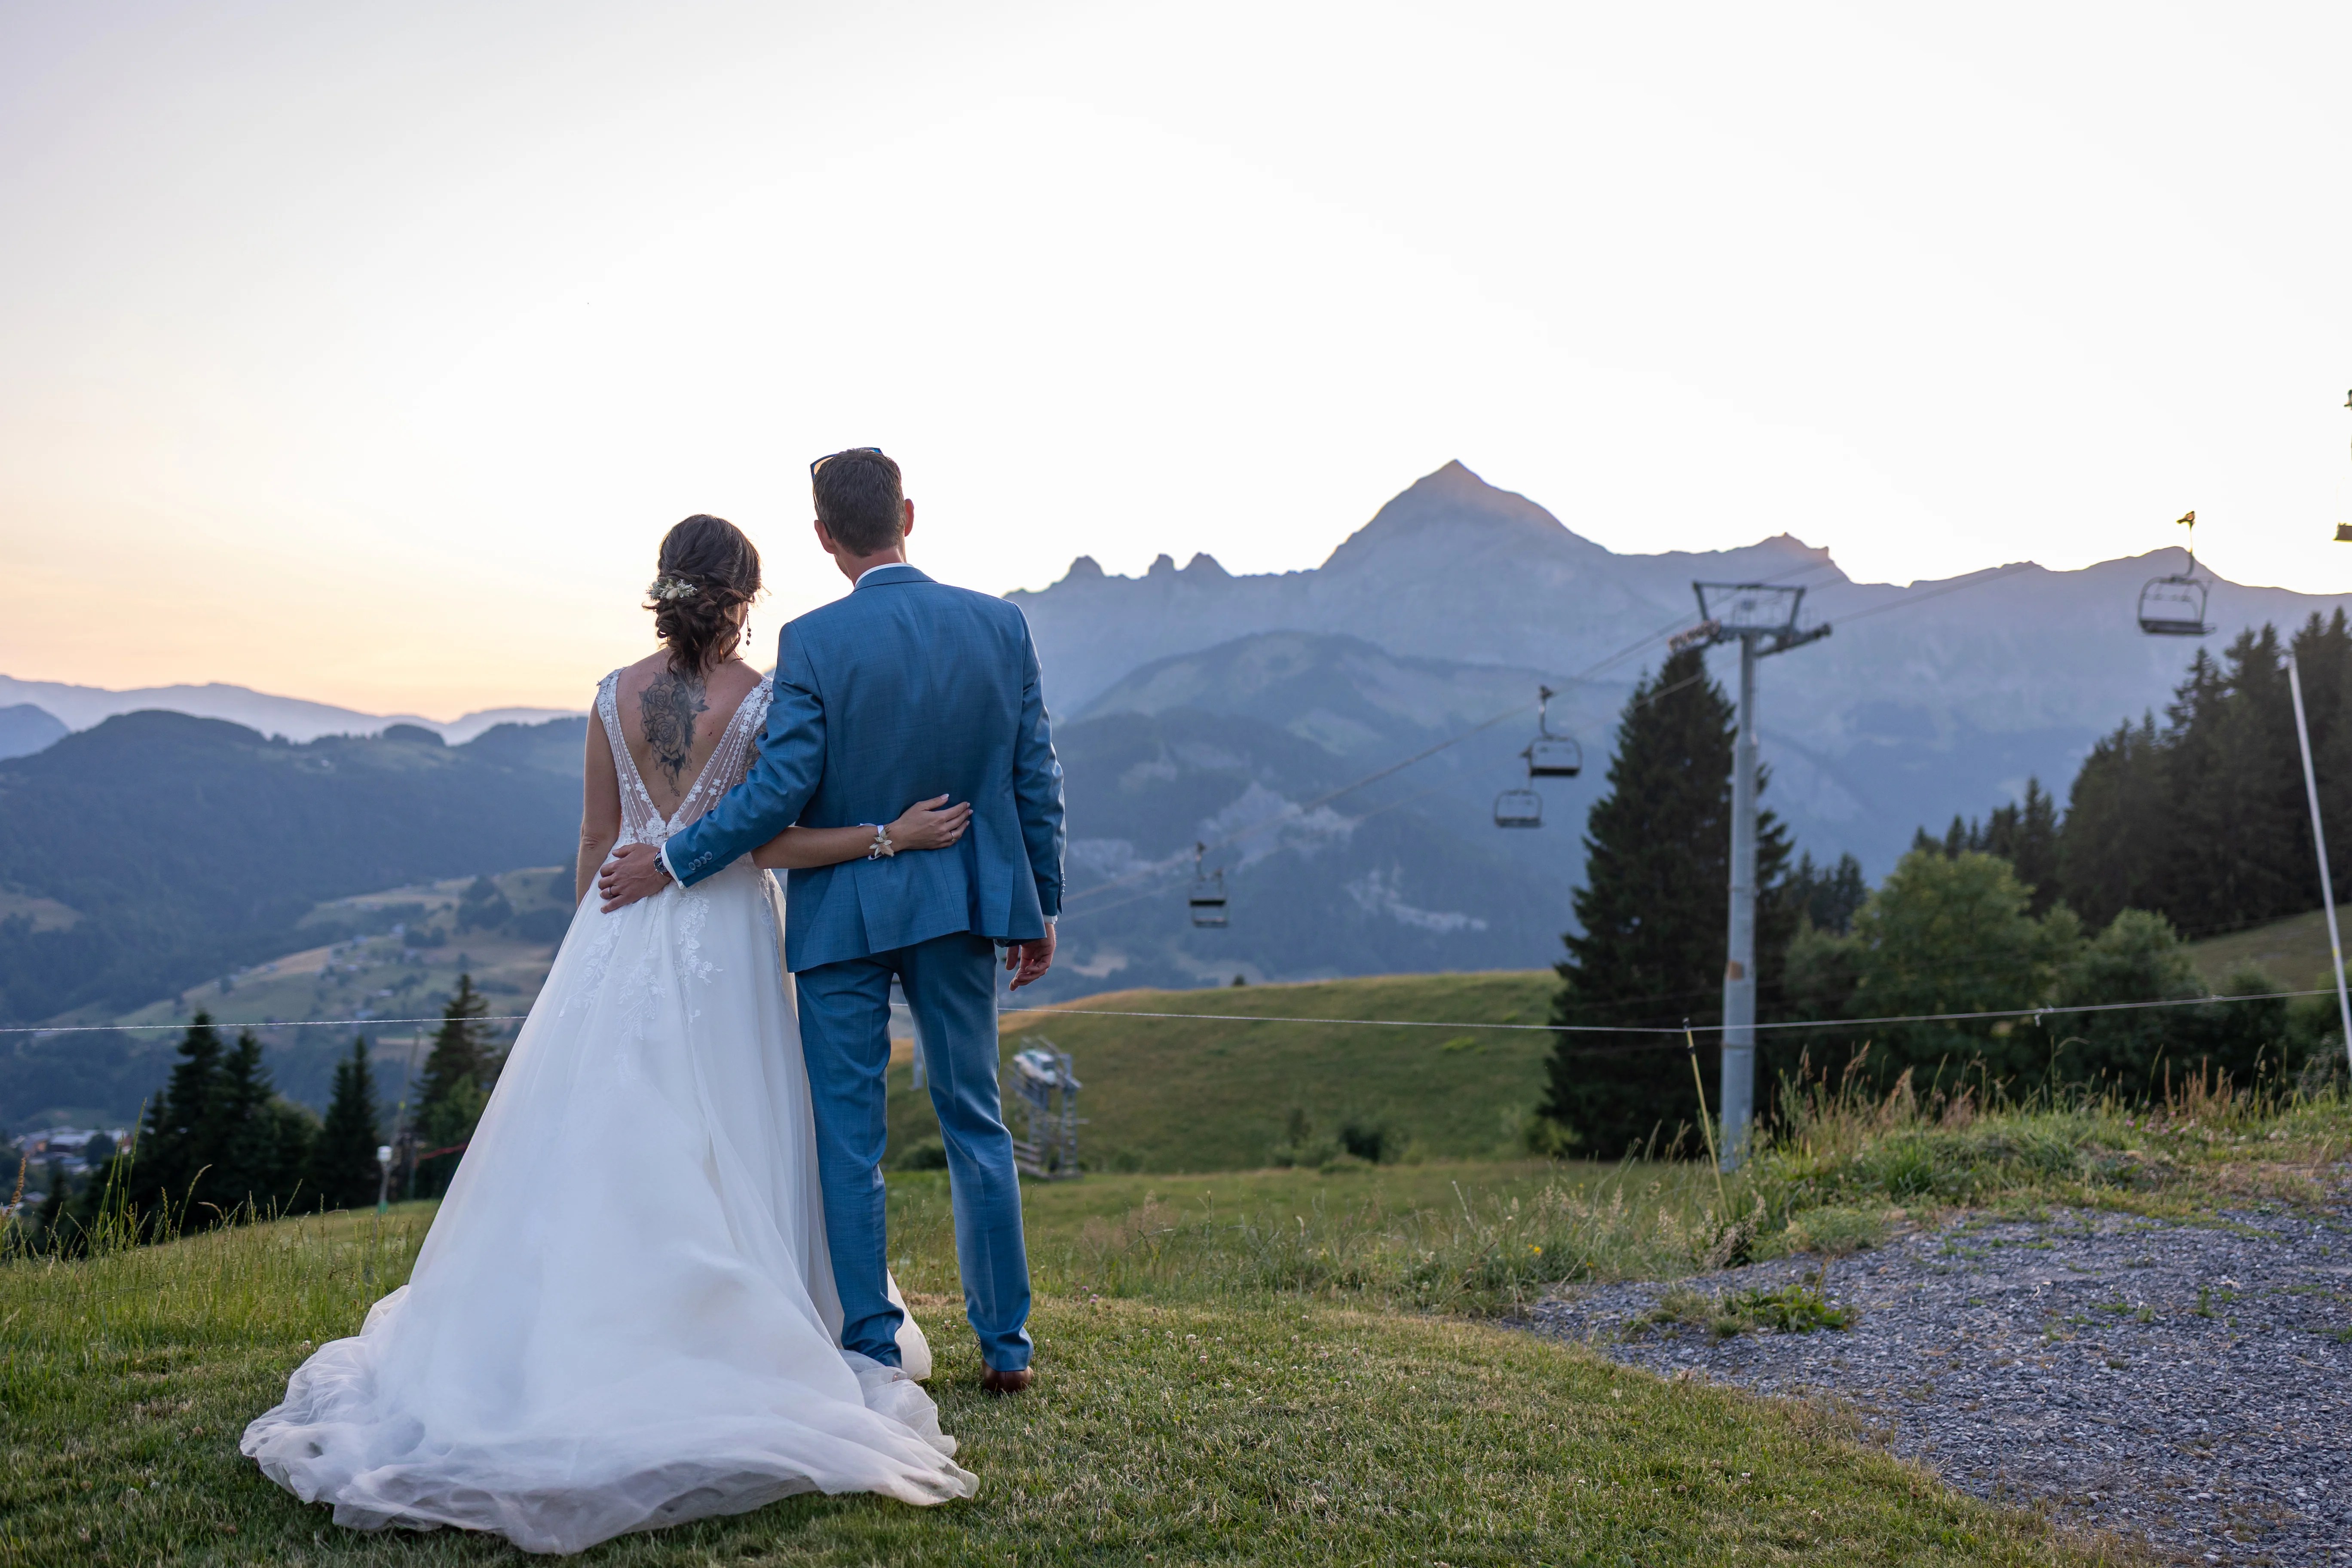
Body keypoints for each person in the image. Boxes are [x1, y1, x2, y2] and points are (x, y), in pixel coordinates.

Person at [243, 514, 981, 1554]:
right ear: (746, 596)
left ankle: (566, 1326)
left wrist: (590, 952)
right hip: (721, 932)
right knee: (734, 1128)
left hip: (618, 927)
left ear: (665, 587)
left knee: (594, 1136)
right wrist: (887, 836)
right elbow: (765, 844)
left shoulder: (609, 695)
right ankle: (730, 1320)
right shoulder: (764, 700)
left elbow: (596, 843)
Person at [599, 447, 1064, 1396]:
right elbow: (1035, 776)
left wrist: (677, 859)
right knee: (977, 1122)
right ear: (908, 512)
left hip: (843, 919)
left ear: (823, 536)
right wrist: (1040, 902)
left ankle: (871, 1348)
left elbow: (779, 793)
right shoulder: (1000, 626)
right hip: (967, 907)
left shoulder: (812, 642)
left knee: (848, 1142)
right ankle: (1005, 1348)